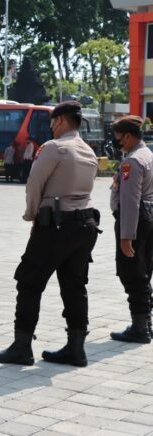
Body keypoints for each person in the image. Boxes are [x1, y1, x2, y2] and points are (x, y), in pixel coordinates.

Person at [0, 101, 100, 367]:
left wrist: (32, 216)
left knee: (29, 282)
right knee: (75, 287)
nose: (51, 126)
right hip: (85, 226)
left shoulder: (53, 147)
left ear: (60, 120)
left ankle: (22, 346)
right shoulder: (89, 151)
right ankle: (76, 348)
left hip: (56, 227)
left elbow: (34, 184)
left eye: (52, 121)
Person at [109, 115, 153, 344]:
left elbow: (130, 202)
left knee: (132, 273)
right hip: (149, 218)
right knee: (144, 272)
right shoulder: (149, 156)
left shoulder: (132, 161)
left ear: (126, 136)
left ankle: (139, 328)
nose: (117, 142)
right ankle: (146, 322)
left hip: (135, 221)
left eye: (118, 138)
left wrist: (126, 237)